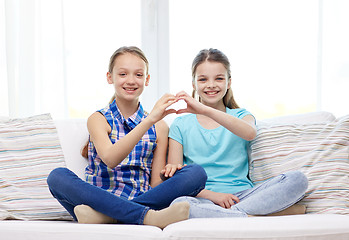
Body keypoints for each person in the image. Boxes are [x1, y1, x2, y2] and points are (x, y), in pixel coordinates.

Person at [47, 46, 207, 228]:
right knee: (57, 176)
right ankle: (147, 217)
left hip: (141, 198)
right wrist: (149, 120)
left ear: (147, 80)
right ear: (110, 77)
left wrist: (171, 173)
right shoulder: (98, 119)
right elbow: (110, 159)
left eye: (138, 75)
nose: (131, 81)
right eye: (123, 74)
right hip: (98, 199)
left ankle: (108, 217)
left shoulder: (160, 127)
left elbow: (155, 184)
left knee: (196, 174)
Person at [161, 48, 308, 218]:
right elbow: (177, 180)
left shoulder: (241, 115)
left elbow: (250, 133)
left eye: (219, 78)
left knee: (298, 179)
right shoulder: (181, 124)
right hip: (203, 198)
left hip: (244, 196)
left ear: (229, 82)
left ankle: (230, 215)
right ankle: (250, 216)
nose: (211, 85)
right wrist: (214, 196)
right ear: (193, 84)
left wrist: (205, 110)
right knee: (179, 204)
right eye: (203, 79)